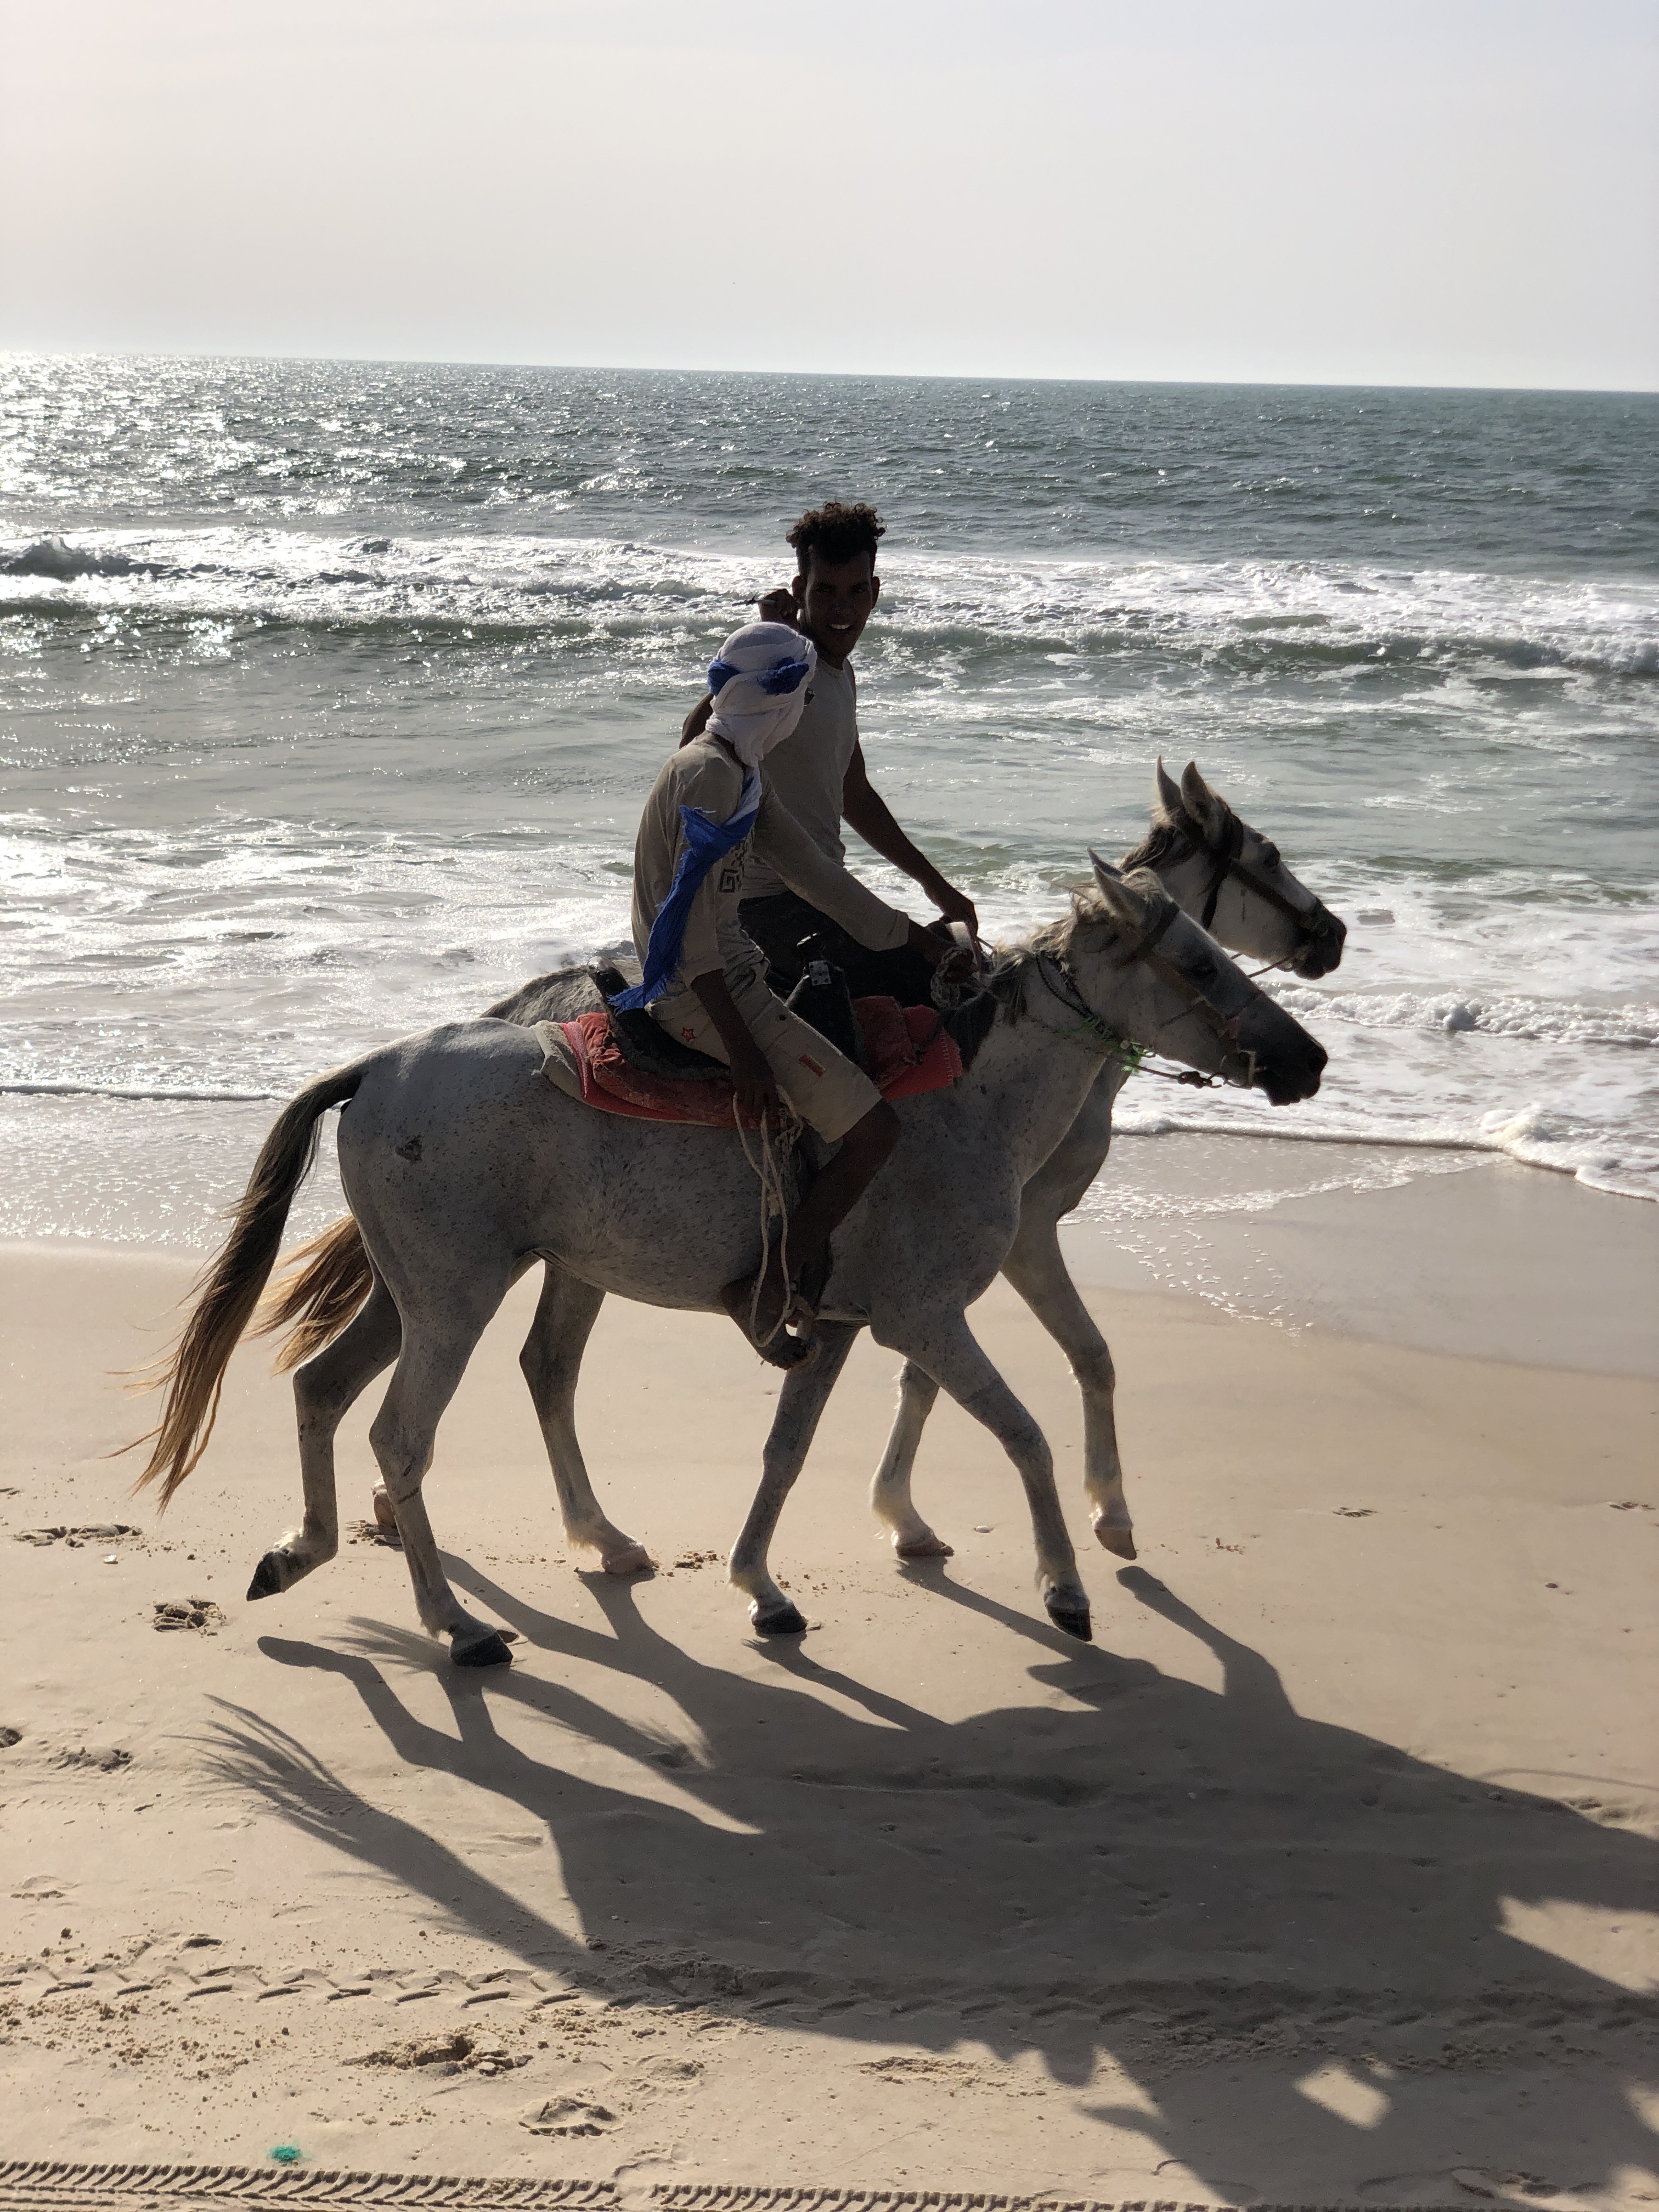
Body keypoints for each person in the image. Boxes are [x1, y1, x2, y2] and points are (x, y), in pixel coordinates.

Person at [622, 619, 945, 1367]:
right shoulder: (709, 776)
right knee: (874, 1132)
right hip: (698, 990)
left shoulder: (736, 767)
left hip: (731, 969)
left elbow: (817, 878)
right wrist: (746, 1055)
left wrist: (917, 938)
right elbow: (694, 933)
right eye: (802, 695)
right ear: (787, 702)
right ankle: (765, 1286)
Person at [681, 501, 979, 1001]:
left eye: (856, 591)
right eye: (825, 592)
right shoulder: (783, 669)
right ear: (801, 592)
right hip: (762, 905)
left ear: (875, 593)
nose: (842, 609)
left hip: (821, 894)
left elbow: (854, 793)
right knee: (929, 986)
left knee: (953, 969)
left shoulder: (840, 673)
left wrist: (936, 885)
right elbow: (695, 741)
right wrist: (772, 649)